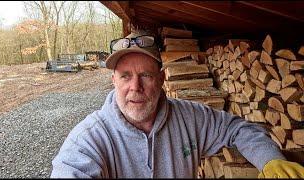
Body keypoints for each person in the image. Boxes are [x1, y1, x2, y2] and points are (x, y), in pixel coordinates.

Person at [51, 31, 304, 178]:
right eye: (125, 76)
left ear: (162, 79)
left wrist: (269, 160)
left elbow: (239, 129)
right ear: (113, 81)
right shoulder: (90, 138)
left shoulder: (191, 118)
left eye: (146, 76)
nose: (135, 87)